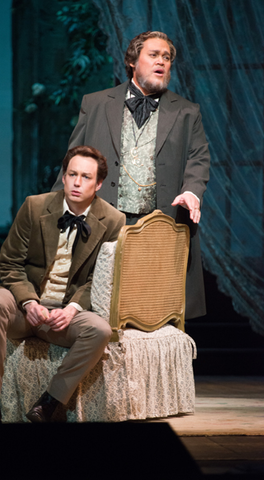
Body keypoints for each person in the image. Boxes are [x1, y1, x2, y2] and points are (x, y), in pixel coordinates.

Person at [52, 31, 210, 320]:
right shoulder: (97, 103)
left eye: (167, 57)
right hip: (103, 218)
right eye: (154, 55)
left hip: (158, 223)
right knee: (98, 307)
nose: (162, 61)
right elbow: (75, 159)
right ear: (132, 62)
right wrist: (55, 211)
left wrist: (192, 191)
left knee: (152, 311)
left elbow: (198, 158)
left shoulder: (187, 112)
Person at [0, 145, 126, 424]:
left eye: (86, 177)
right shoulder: (34, 206)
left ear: (99, 183)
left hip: (65, 315)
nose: (77, 182)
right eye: (72, 174)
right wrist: (29, 301)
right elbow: (9, 263)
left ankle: (50, 404)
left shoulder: (114, 220)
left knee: (100, 330)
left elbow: (100, 279)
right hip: (25, 306)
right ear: (63, 177)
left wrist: (73, 309)